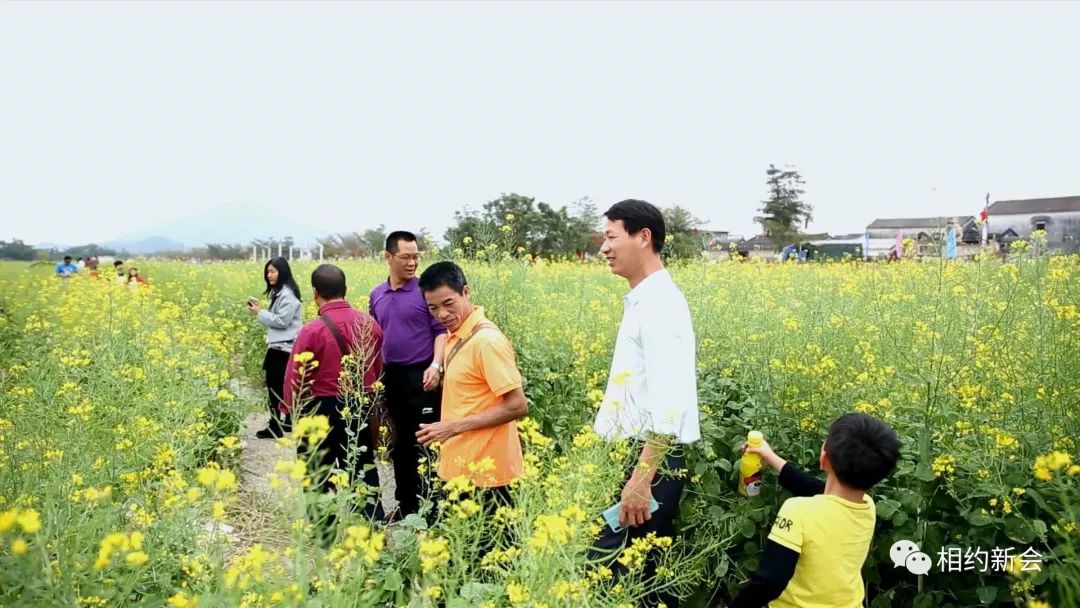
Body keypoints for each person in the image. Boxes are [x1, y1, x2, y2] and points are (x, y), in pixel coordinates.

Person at [591, 199, 701, 608]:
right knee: (634, 577)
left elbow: (670, 402)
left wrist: (640, 478)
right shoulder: (644, 300)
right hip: (636, 455)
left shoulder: (660, 305)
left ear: (643, 237)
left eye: (610, 236)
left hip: (647, 459)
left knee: (624, 577)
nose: (604, 247)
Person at [729, 413, 900, 608]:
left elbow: (769, 582)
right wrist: (770, 457)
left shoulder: (799, 512)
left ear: (824, 458)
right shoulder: (867, 506)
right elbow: (815, 488)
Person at [416, 261, 527, 508]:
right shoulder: (455, 335)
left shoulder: (486, 341)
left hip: (488, 476)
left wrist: (451, 427)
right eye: (432, 308)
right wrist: (436, 367)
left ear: (466, 293)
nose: (441, 315)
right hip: (462, 469)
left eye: (448, 304)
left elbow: (518, 405)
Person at [282, 264, 385, 519]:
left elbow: (295, 376)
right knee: (362, 468)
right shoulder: (369, 324)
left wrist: (289, 409)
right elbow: (378, 368)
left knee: (317, 471)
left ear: (315, 292)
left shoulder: (311, 330)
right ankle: (371, 527)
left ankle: (325, 534)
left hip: (319, 409)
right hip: (359, 406)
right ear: (346, 289)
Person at [368, 231, 446, 519]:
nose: (413, 263)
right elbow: (374, 336)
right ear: (388, 257)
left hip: (423, 375)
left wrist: (436, 366)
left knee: (425, 441)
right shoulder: (377, 294)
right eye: (406, 257)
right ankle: (405, 505)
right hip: (393, 376)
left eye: (416, 256)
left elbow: (441, 332)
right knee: (398, 444)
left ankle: (431, 509)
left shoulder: (424, 291)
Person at [248, 257, 303, 439]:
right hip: (282, 346)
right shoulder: (281, 293)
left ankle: (275, 426)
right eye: (268, 272)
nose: (269, 275)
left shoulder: (287, 295)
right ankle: (285, 421)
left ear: (283, 272)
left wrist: (259, 313)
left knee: (275, 388)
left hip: (283, 348)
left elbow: (282, 321)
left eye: (273, 271)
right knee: (283, 387)